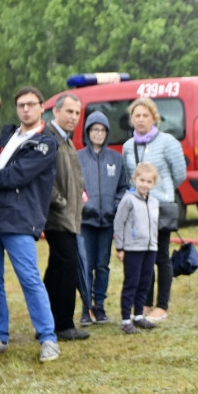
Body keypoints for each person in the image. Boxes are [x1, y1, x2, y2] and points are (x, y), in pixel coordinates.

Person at [0, 86, 61, 363]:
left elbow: (15, 176)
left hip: (17, 217)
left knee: (29, 279)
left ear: (41, 107)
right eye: (21, 104)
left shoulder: (46, 143)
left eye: (31, 104)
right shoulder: (8, 132)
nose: (25, 109)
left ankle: (48, 339)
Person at [121, 97, 186, 322]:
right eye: (136, 116)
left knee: (161, 256)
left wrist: (163, 193)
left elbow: (180, 173)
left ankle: (162, 305)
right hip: (138, 207)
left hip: (161, 207)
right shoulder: (128, 146)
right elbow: (127, 174)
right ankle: (145, 303)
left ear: (154, 117)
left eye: (145, 115)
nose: (140, 120)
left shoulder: (168, 142)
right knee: (142, 255)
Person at [42, 93, 89, 340]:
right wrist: (60, 203)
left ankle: (47, 321)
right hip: (57, 217)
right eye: (69, 111)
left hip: (69, 215)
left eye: (77, 113)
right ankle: (63, 324)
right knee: (67, 266)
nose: (73, 117)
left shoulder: (66, 140)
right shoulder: (49, 138)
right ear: (56, 112)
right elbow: (45, 179)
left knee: (57, 268)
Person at [77, 111, 128, 326]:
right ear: (88, 132)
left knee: (103, 265)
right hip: (85, 222)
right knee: (85, 266)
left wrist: (115, 206)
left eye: (102, 130)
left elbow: (123, 187)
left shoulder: (116, 159)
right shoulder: (78, 157)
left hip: (107, 221)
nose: (98, 133)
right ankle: (85, 307)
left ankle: (100, 306)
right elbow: (73, 185)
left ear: (107, 133)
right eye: (94, 129)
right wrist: (82, 202)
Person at [113, 162, 159, 335]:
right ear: (135, 179)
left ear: (153, 184)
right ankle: (126, 318)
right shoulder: (128, 200)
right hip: (133, 248)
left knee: (145, 282)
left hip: (150, 248)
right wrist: (120, 247)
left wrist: (154, 243)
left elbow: (154, 225)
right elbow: (119, 222)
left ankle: (138, 315)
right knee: (131, 282)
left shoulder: (154, 202)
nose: (144, 184)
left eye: (148, 181)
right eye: (142, 180)